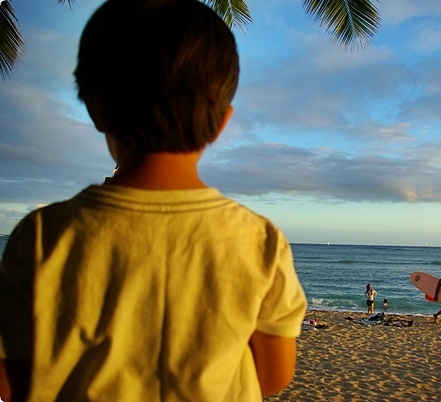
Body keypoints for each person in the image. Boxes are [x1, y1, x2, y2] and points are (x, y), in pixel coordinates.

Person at [0, 1, 307, 400]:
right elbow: (273, 375)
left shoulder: (40, 236)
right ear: (221, 123)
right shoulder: (260, 240)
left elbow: (13, 381)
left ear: (95, 110)